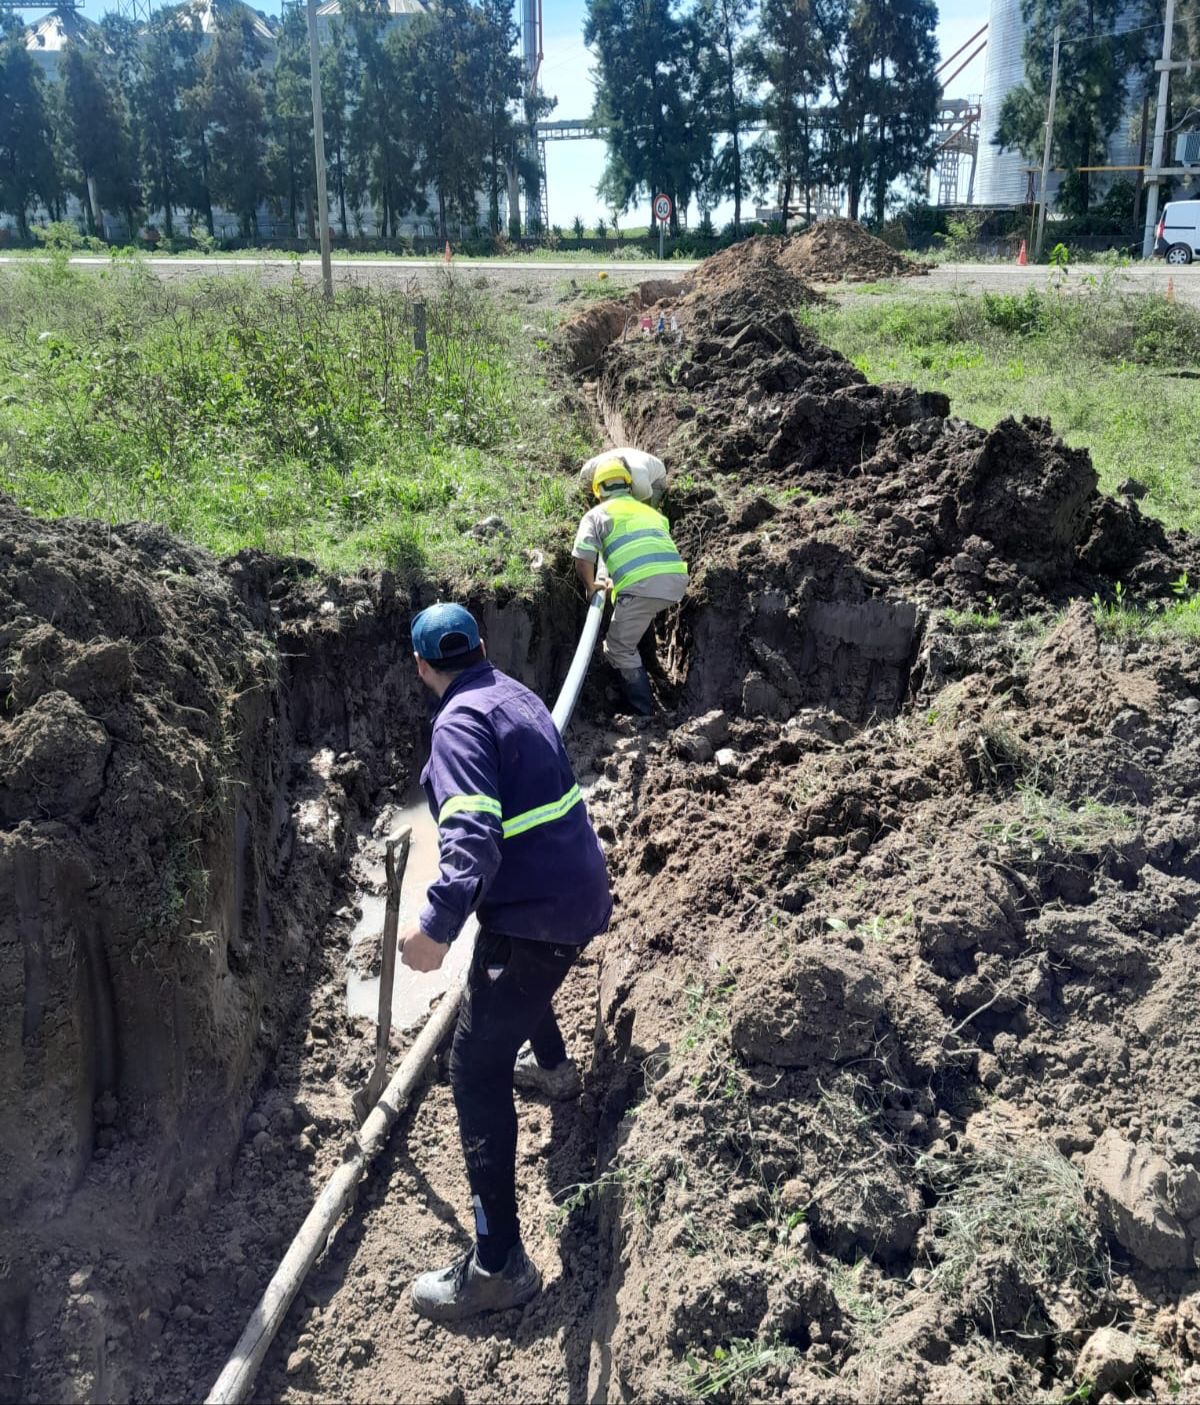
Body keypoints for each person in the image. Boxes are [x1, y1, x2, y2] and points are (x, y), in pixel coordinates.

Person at [397, 602, 612, 1323]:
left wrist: (432, 928)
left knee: (474, 1067)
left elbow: (472, 837)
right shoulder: (514, 694)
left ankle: (497, 1265)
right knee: (508, 971)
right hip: (573, 894)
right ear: (483, 646)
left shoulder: (457, 723)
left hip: (536, 918)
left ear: (423, 667)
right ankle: (553, 1067)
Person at [572, 457, 688, 716]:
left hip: (643, 586)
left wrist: (591, 587)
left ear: (598, 490)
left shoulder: (595, 515)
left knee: (618, 649)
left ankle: (642, 711)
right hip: (676, 580)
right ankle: (651, 662)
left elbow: (583, 559)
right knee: (640, 610)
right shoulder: (650, 512)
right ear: (628, 485)